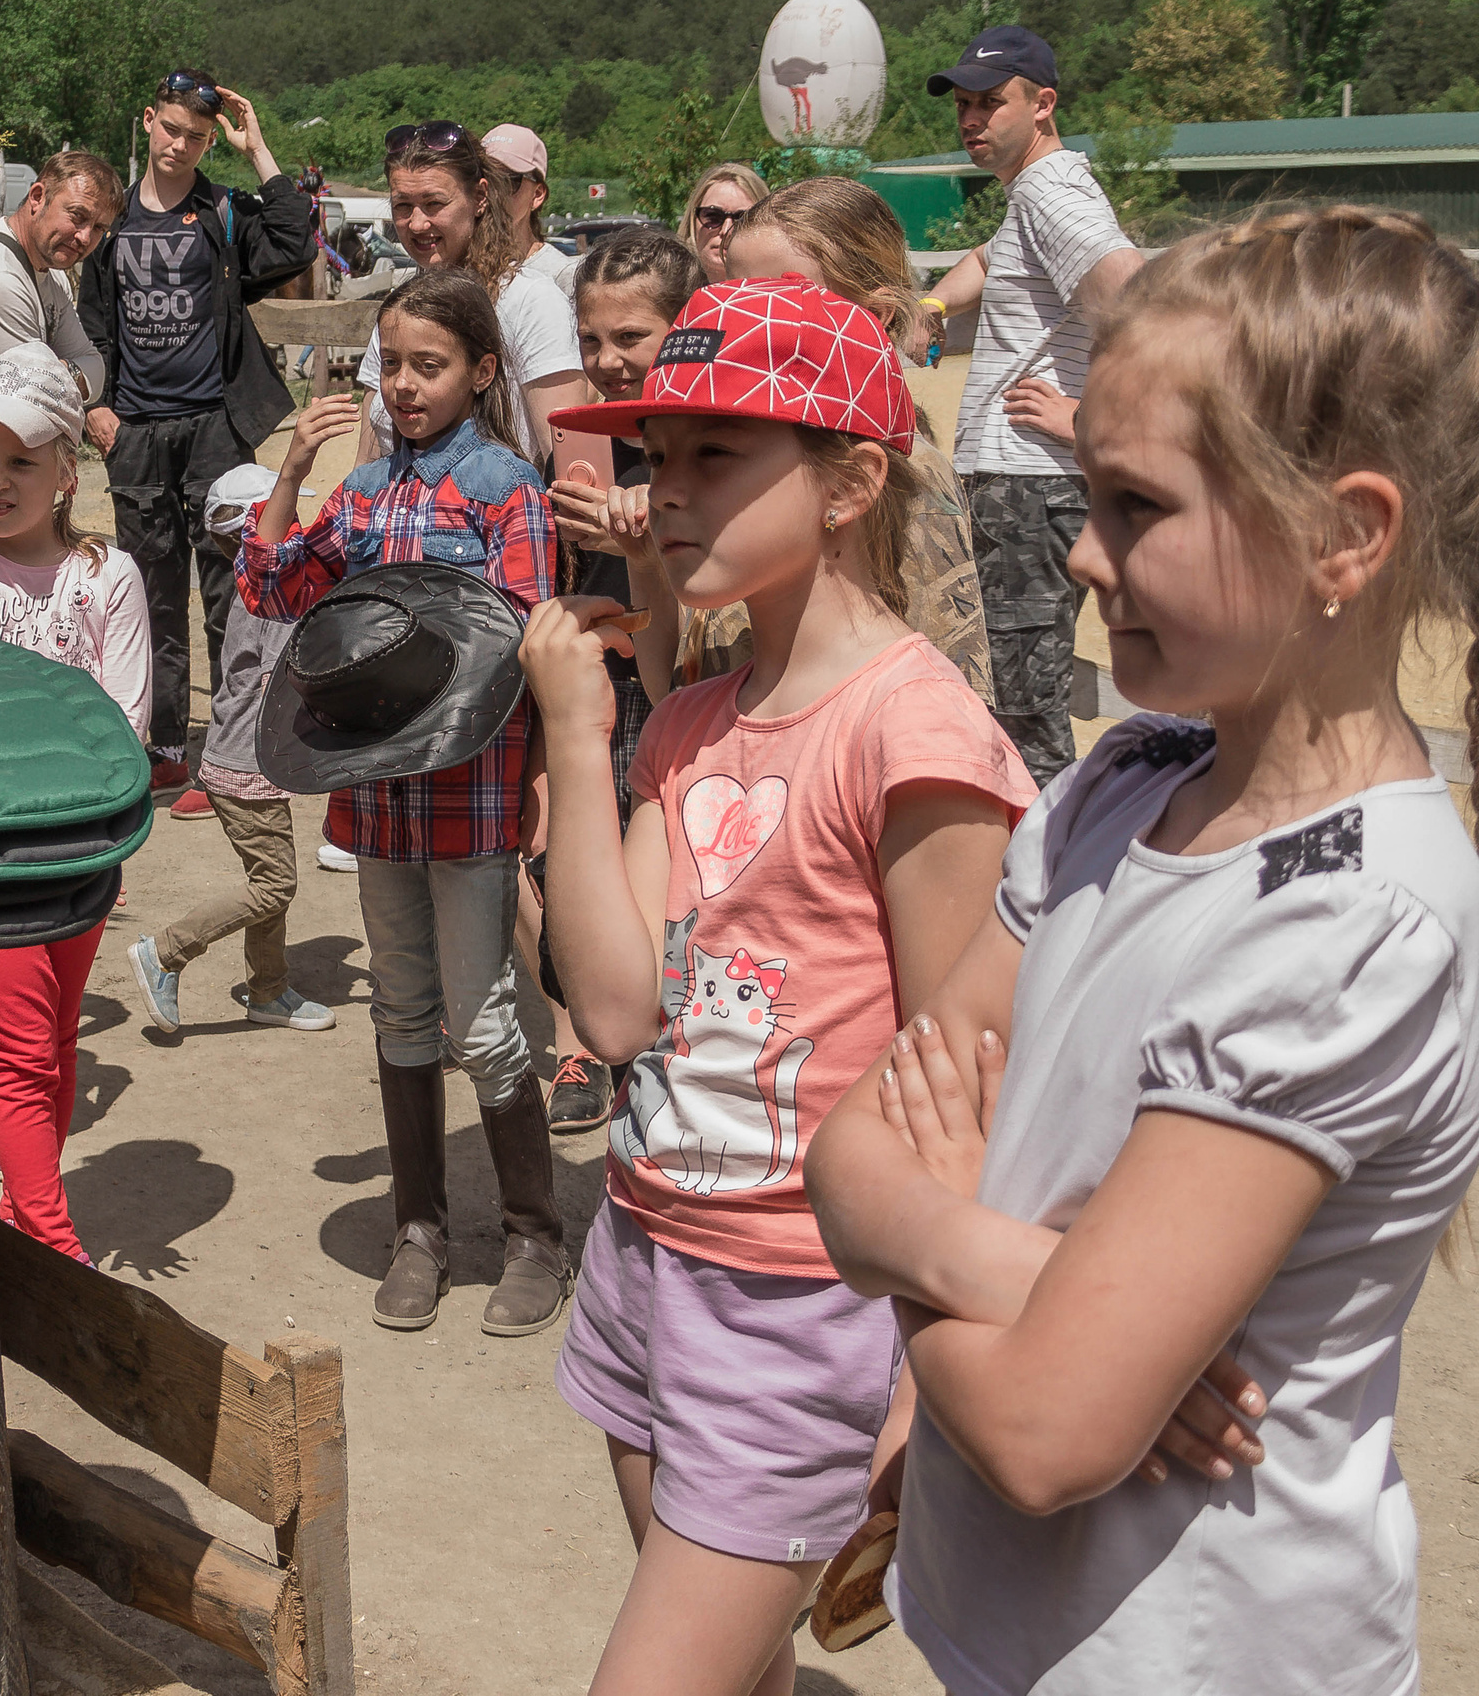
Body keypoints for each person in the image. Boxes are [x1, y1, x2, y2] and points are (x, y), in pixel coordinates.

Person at [805, 207, 1479, 1696]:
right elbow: (850, 1162)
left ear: (1347, 533)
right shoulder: (1121, 783)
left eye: (1136, 505)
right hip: (1013, 1633)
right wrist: (1011, 1268)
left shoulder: (1354, 918)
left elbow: (1040, 1433)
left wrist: (926, 1249)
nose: (1081, 551)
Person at [521, 277, 1035, 1696]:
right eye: (654, 456)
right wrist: (579, 733)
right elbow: (615, 1011)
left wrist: (930, 1364)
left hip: (802, 1305)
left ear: (850, 479)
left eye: (714, 457)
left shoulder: (916, 730)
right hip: (643, 1257)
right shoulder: (685, 722)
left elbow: (970, 1074)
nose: (662, 493)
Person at [241, 268, 570, 1337]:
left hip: (469, 804)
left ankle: (532, 1233)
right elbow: (278, 585)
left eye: (428, 364)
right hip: (381, 806)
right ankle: (418, 1230)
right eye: (390, 363)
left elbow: (525, 647)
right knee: (398, 1007)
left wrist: (537, 788)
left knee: (478, 1018)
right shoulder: (367, 487)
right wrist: (292, 466)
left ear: (481, 371)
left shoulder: (504, 486)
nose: (405, 383)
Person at [0, 349, 152, 1265]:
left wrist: (50, 745)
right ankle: (56, 1246)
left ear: (67, 470)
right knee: (16, 1052)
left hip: (87, 854)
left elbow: (128, 726)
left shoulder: (110, 576)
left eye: (19, 460)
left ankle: (21, 1216)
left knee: (56, 1042)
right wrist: (65, 737)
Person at [77, 69, 316, 802]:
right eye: (172, 129)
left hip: (215, 429)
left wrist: (258, 152)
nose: (181, 145)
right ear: (148, 121)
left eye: (198, 136)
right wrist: (96, 405)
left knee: (227, 595)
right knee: (151, 598)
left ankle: (233, 751)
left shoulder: (222, 211)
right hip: (138, 432)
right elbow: (90, 322)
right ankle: (168, 747)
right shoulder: (110, 220)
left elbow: (297, 241)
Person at [917, 27, 1145, 785]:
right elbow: (990, 256)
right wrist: (934, 301)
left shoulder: (1049, 193)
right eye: (964, 106)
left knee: (1022, 721)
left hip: (1030, 488)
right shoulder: (1033, 195)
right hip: (1017, 486)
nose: (972, 120)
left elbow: (1139, 301)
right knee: (1007, 705)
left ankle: (1042, 891)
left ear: (1043, 104)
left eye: (992, 103)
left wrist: (1087, 420)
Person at [534, 227, 705, 1135]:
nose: (604, 362)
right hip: (594, 693)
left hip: (675, 700)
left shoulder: (713, 450)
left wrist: (647, 548)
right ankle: (585, 1046)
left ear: (687, 329)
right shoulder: (579, 445)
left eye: (630, 339)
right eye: (589, 339)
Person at [722, 177, 993, 701]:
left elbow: (948, 690)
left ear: (876, 316)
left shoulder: (912, 474)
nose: (748, 327)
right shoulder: (732, 450)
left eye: (781, 305)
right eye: (734, 302)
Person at [128, 462, 337, 1038]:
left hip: (246, 756)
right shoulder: (268, 596)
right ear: (255, 526)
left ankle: (268, 990)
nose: (297, 521)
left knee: (270, 876)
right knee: (274, 884)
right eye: (285, 512)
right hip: (246, 760)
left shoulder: (256, 587)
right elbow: (286, 672)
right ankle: (165, 952)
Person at [347, 120, 588, 468]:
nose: (416, 224)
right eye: (402, 206)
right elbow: (369, 454)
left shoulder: (530, 302)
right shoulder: (402, 306)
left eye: (434, 203)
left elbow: (566, 461)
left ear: (479, 198)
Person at [0, 151, 124, 395]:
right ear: (37, 197)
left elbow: (95, 368)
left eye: (99, 228)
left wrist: (58, 373)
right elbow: (35, 397)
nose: (85, 237)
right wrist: (68, 373)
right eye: (77, 216)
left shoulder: (51, 273)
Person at [484, 122, 577, 296]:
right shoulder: (459, 267)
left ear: (537, 195)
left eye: (508, 181)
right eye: (483, 179)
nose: (492, 193)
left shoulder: (561, 275)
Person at [676, 163, 766, 285]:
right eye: (713, 216)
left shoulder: (781, 298)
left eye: (743, 220)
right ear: (692, 220)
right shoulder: (664, 294)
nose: (726, 230)